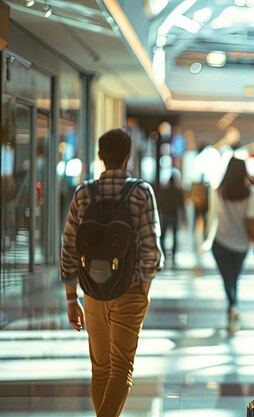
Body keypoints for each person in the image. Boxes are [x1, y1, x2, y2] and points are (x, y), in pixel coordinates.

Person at [60, 129, 163, 417]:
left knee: (100, 369)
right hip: (129, 289)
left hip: (92, 291)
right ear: (128, 157)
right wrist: (143, 288)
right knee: (121, 370)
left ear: (100, 156)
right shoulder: (141, 192)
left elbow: (68, 245)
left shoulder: (83, 193)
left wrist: (71, 297)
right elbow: (150, 247)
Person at [212, 156, 254, 334]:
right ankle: (233, 306)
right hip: (242, 244)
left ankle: (232, 305)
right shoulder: (251, 193)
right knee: (234, 277)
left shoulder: (219, 191)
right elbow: (252, 216)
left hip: (221, 241)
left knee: (228, 278)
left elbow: (214, 215)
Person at [156, 172, 186, 265]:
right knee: (174, 236)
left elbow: (159, 204)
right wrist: (184, 218)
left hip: (165, 216)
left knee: (163, 236)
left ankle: (164, 253)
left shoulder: (164, 191)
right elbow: (181, 205)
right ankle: (172, 255)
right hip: (173, 216)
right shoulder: (177, 191)